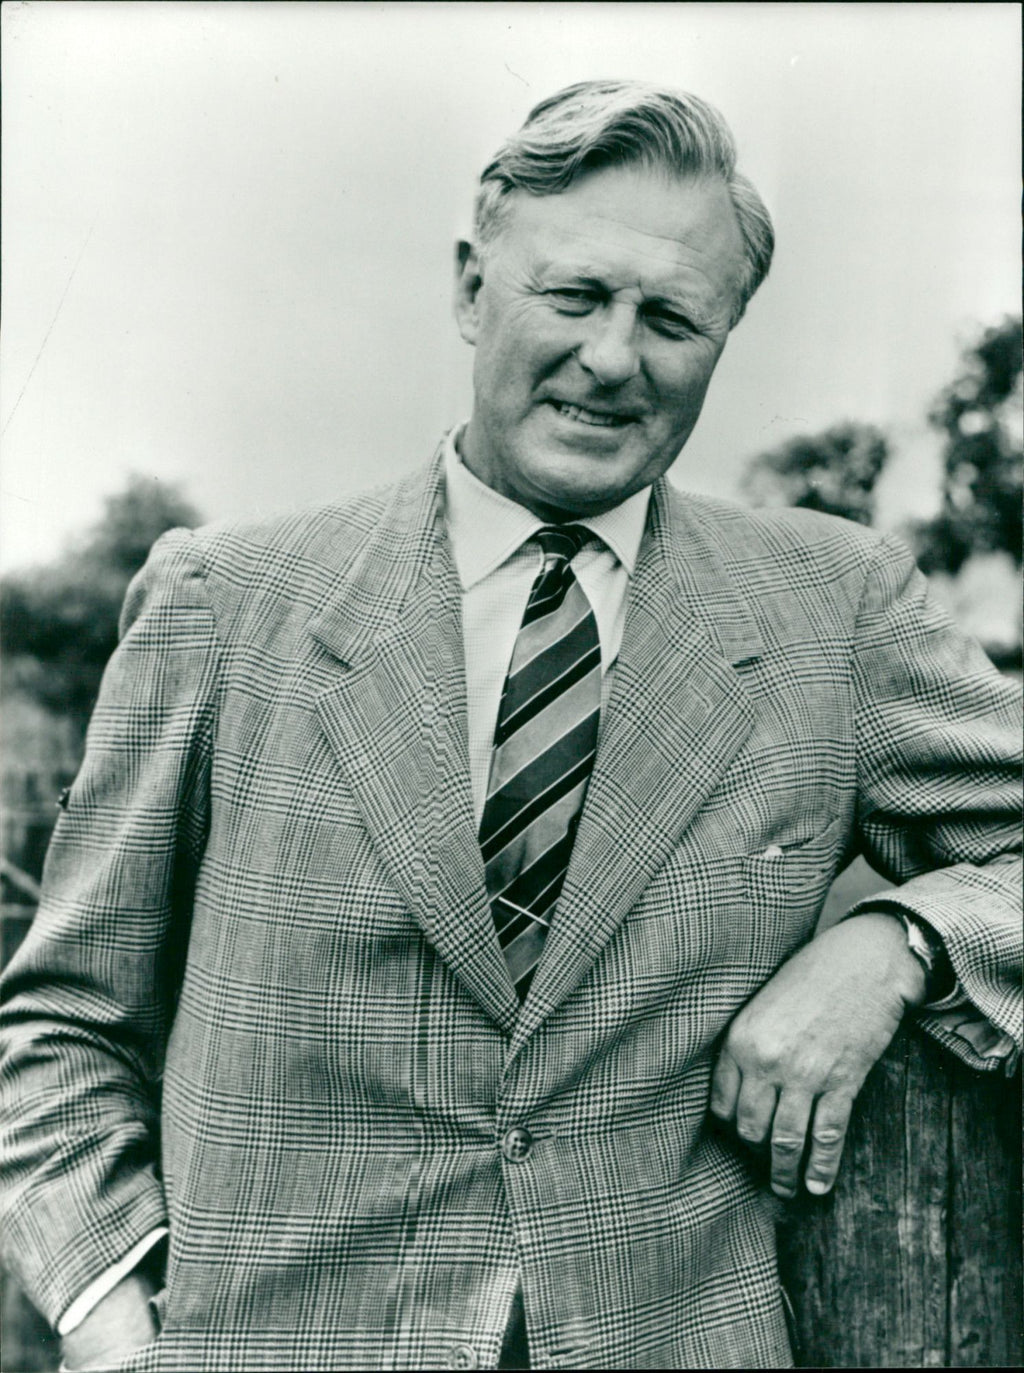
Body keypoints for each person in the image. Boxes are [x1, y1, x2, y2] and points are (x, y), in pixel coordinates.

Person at [1, 80, 1020, 1373]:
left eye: (671, 318)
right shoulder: (226, 603)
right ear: (472, 288)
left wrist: (901, 942)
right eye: (576, 295)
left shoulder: (836, 610)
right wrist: (108, 1320)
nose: (615, 357)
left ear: (724, 338)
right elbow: (63, 1020)